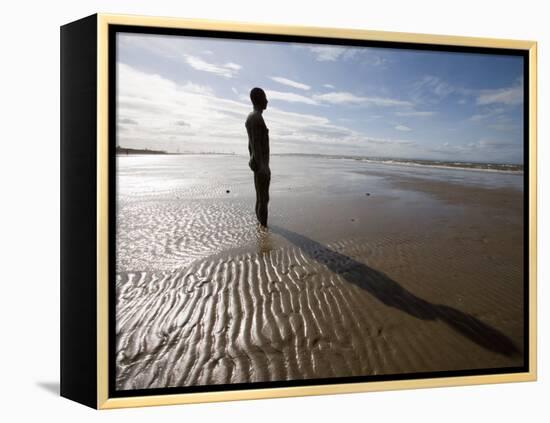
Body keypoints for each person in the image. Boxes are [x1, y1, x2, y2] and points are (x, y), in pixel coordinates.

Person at [245, 87, 270, 227]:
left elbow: (252, 144)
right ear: (258, 99)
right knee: (263, 198)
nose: (267, 101)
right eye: (265, 98)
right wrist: (261, 167)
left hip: (261, 165)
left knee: (261, 198)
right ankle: (263, 229)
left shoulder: (255, 117)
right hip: (261, 166)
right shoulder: (255, 118)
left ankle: (261, 226)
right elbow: (254, 144)